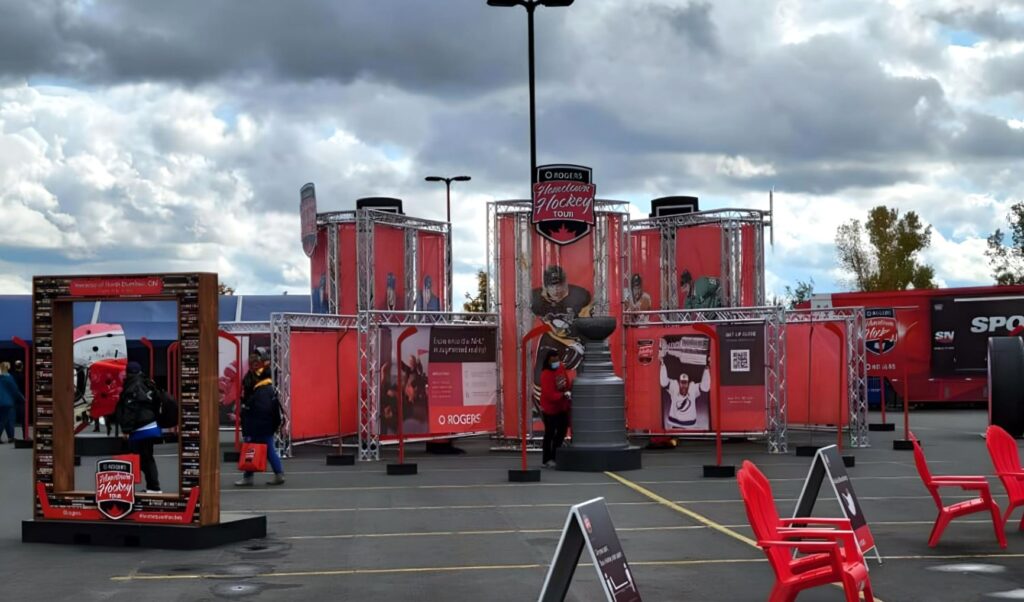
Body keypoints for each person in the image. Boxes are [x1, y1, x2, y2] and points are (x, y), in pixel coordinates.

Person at [530, 265, 592, 412]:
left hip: (576, 337)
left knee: (587, 367)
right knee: (541, 371)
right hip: (553, 336)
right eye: (552, 286)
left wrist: (581, 345)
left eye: (560, 285)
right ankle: (542, 407)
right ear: (545, 287)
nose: (557, 290)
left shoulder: (580, 296)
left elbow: (588, 324)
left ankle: (585, 407)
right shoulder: (536, 298)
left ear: (566, 282)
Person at [114, 362, 163, 492]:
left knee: (144, 458)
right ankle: (152, 486)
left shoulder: (132, 385)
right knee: (147, 457)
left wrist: (126, 430)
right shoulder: (147, 382)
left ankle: (154, 487)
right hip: (151, 424)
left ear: (128, 372)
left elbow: (131, 409)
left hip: (142, 427)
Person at [235, 371, 285, 486]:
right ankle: (279, 474)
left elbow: (256, 412)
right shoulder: (268, 389)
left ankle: (248, 477)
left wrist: (245, 409)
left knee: (249, 450)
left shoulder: (259, 393)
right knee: (269, 450)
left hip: (257, 427)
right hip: (267, 426)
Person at [660, 344, 711, 428]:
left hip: (690, 426)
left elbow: (705, 387)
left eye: (685, 382)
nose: (683, 385)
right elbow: (664, 382)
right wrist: (662, 364)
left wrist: (706, 369)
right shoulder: (674, 387)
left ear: (688, 383)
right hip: (674, 424)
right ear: (679, 382)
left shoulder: (693, 389)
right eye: (682, 382)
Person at [539, 350, 572, 468]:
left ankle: (556, 456)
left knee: (562, 431)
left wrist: (568, 390)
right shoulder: (545, 374)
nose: (556, 362)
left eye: (557, 360)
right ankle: (547, 459)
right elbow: (549, 394)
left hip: (562, 407)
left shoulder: (561, 368)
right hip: (549, 409)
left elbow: (566, 382)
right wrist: (562, 395)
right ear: (548, 361)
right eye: (553, 361)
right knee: (550, 433)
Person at [0, 362, 24, 443]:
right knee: (5, 420)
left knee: (6, 420)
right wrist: (22, 398)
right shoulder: (8, 377)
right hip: (7, 402)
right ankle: (10, 437)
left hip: (2, 402)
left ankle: (11, 437)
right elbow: (15, 390)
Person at [10, 360, 25, 428]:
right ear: (22, 366)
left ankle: (11, 436)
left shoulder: (11, 375)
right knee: (23, 418)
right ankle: (25, 436)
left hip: (13, 399)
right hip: (21, 398)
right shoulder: (24, 376)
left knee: (12, 418)